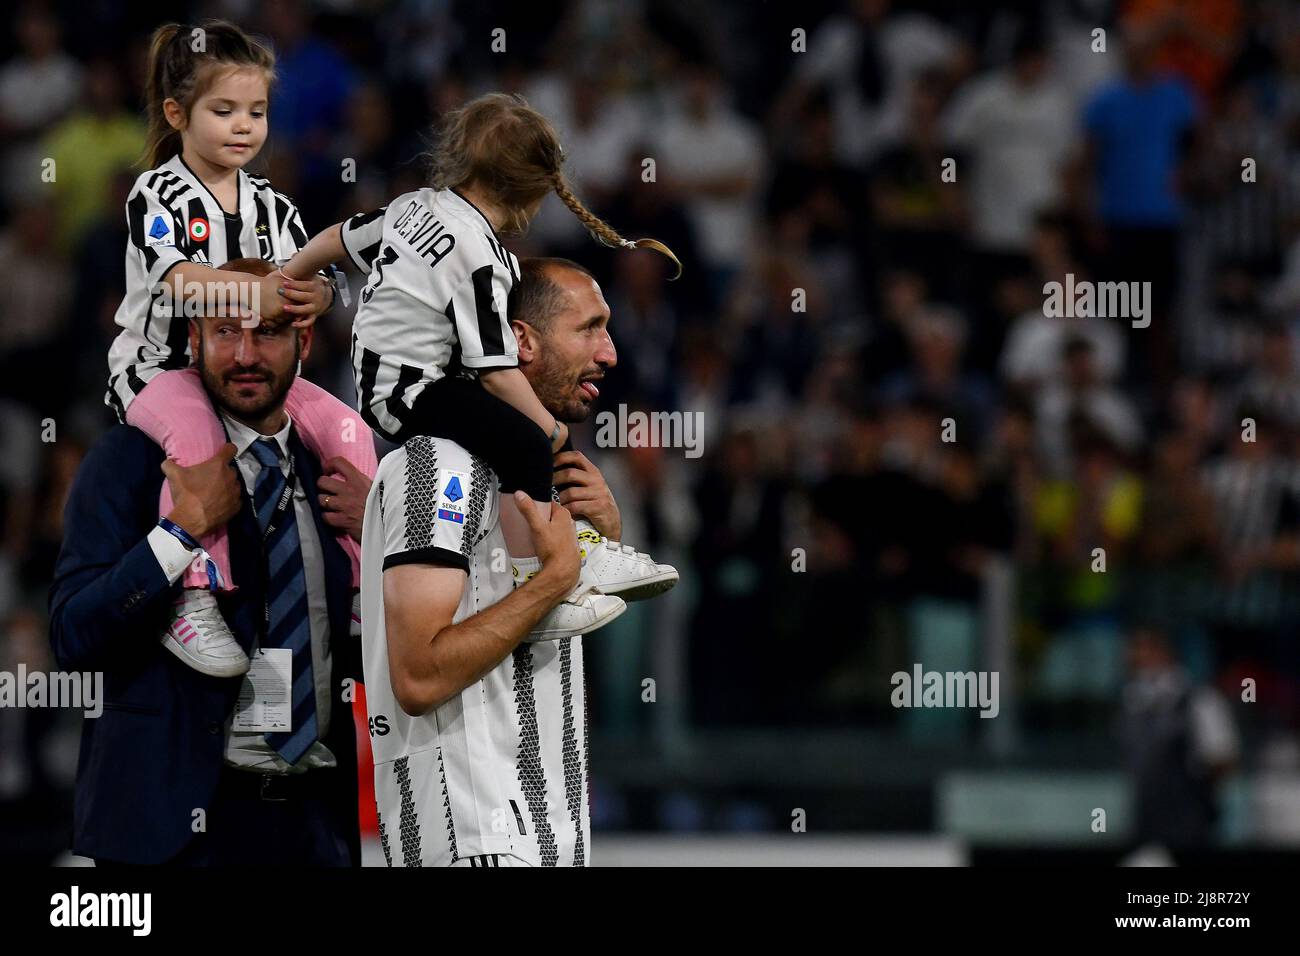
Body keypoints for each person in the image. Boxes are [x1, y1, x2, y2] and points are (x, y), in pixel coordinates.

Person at [284, 92, 677, 640]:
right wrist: (553, 432)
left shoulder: (412, 206)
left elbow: (340, 240)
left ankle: (579, 548)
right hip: (417, 391)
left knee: (514, 439)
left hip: (381, 383)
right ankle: (543, 578)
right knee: (526, 442)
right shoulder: (481, 256)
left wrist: (288, 274)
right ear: (532, 191)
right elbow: (496, 369)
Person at [49, 257, 373, 866]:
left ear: (304, 339)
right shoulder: (129, 461)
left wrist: (380, 537)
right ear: (193, 339)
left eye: (268, 332)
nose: (245, 355)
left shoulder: (340, 472)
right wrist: (178, 535)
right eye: (225, 331)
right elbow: (72, 634)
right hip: (171, 834)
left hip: (311, 826)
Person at [104, 20, 376, 678]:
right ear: (177, 114)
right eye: (223, 111)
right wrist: (259, 299)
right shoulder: (156, 194)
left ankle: (366, 591)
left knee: (346, 426)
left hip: (249, 375)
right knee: (198, 438)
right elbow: (181, 285)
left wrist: (322, 292)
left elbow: (306, 273)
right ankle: (189, 592)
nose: (243, 126)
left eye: (255, 112)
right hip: (161, 373)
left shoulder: (271, 204)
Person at [361, 257, 631, 866]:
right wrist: (557, 579)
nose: (609, 353)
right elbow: (418, 676)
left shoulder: (546, 480)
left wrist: (601, 546)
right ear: (519, 340)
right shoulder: (436, 467)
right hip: (474, 834)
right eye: (589, 328)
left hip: (547, 834)